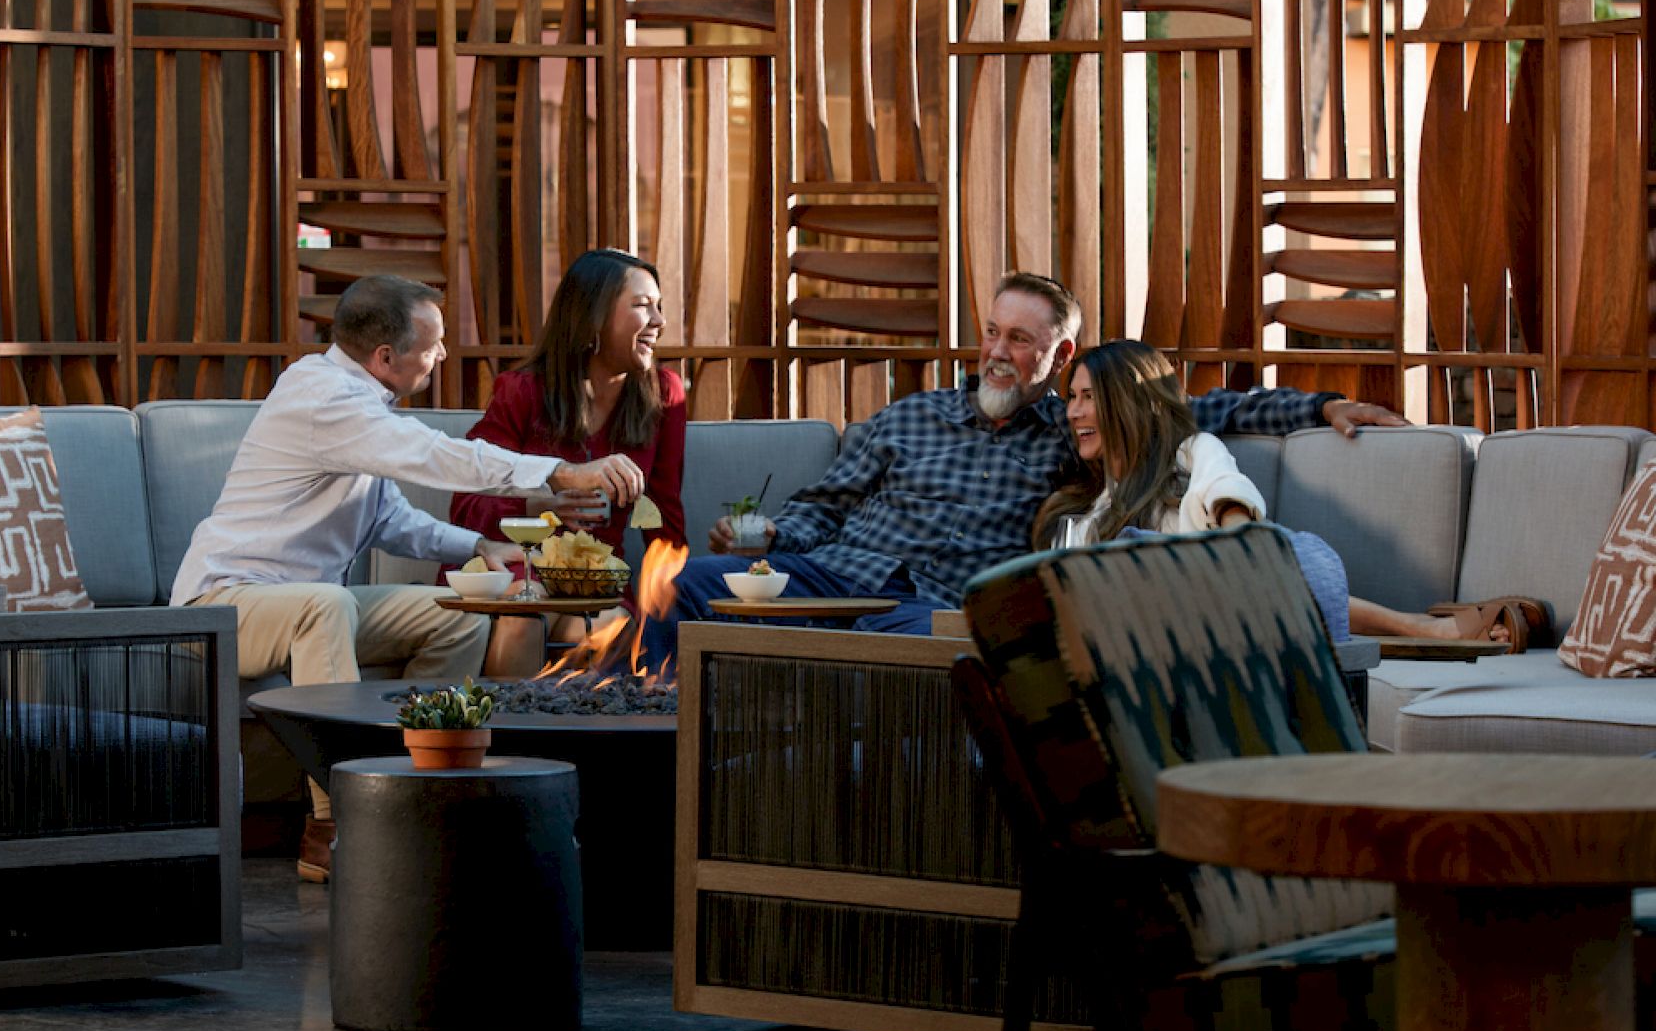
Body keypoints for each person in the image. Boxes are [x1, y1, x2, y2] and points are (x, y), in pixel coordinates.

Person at [638, 271, 1409, 667]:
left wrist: (1320, 406)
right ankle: (660, 751)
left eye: (1018, 338)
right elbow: (824, 503)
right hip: (834, 572)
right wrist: (769, 530)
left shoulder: (1071, 428)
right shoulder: (911, 415)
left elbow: (1192, 411)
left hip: (933, 607)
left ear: (1060, 356)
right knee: (681, 583)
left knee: (903, 646)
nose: (996, 351)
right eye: (990, 331)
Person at [171, 274, 646, 882]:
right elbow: (439, 455)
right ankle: (337, 824)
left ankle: (416, 798)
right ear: (386, 357)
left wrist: (480, 546)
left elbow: (390, 519)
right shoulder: (323, 397)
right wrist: (559, 473)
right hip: (223, 600)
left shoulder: (362, 405)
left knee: (453, 612)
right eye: (434, 344)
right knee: (324, 606)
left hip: (306, 603)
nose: (444, 354)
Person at [1036, 338, 1537, 645]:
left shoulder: (1188, 452)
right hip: (1149, 638)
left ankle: (1424, 629)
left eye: (1088, 399)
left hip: (1229, 607)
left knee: (1285, 555)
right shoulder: (1086, 510)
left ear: (1128, 403)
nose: (1074, 412)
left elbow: (1224, 492)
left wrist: (1241, 540)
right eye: (1072, 399)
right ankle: (1422, 627)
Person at [450, 249, 688, 648]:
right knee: (525, 612)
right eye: (643, 306)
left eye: (659, 307)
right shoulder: (522, 392)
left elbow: (664, 512)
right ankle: (506, 712)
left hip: (592, 580)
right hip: (512, 566)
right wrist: (536, 507)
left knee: (608, 626)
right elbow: (465, 505)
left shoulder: (664, 395)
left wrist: (674, 592)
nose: (659, 322)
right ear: (593, 316)